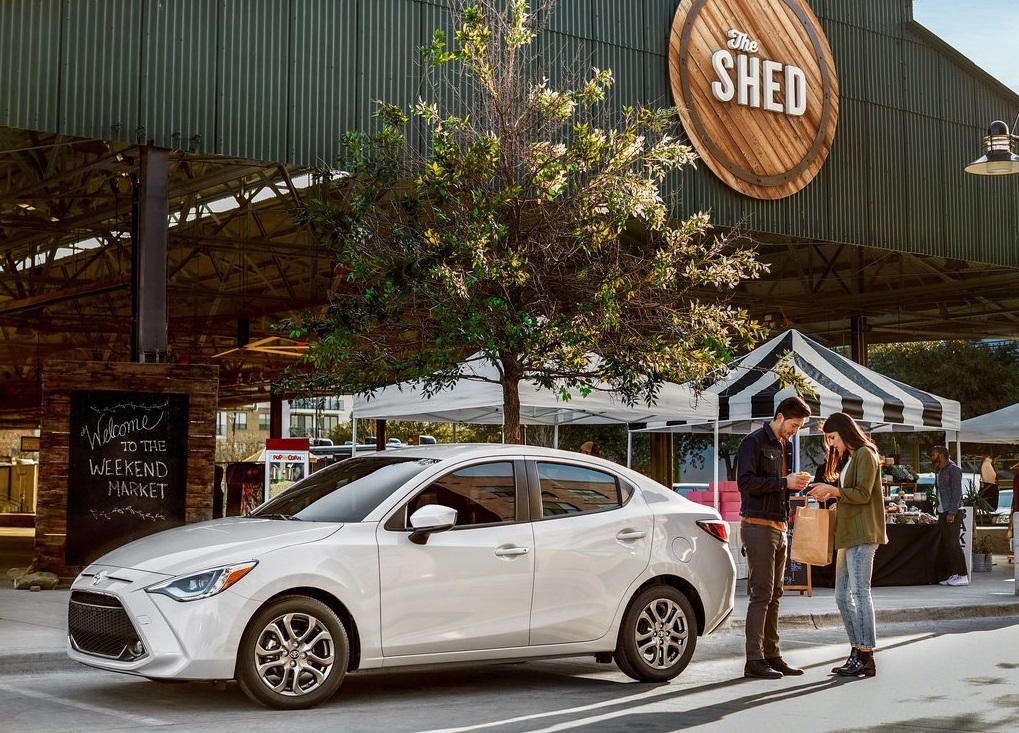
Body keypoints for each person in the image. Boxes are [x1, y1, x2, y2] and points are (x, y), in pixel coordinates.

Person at [736, 394, 812, 680]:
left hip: (779, 526)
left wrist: (794, 486)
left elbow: (778, 486)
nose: (795, 431)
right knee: (762, 594)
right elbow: (744, 483)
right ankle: (753, 660)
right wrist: (784, 482)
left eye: (798, 427)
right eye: (794, 425)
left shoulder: (787, 446)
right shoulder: (752, 443)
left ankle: (772, 655)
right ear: (780, 417)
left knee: (776, 594)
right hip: (757, 526)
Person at [807, 412, 887, 678]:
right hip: (848, 534)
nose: (831, 444)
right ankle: (856, 651)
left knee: (860, 594)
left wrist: (833, 491)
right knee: (842, 596)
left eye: (832, 437)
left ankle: (866, 655)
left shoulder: (865, 453)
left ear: (844, 431)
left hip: (863, 534)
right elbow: (853, 496)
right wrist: (831, 494)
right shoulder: (854, 456)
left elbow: (863, 495)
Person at [930, 445, 969, 587]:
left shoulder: (954, 470)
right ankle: (953, 574)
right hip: (942, 510)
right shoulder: (939, 470)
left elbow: (957, 492)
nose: (931, 457)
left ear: (941, 454)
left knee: (953, 544)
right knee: (947, 544)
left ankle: (963, 575)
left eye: (933, 454)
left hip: (952, 511)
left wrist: (952, 512)